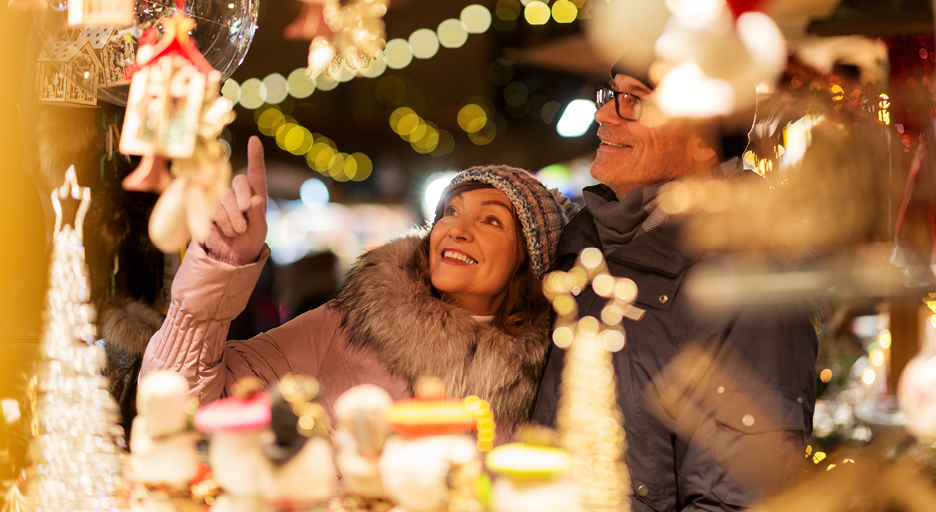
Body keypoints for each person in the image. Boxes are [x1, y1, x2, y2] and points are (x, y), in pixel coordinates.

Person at [140, 136, 573, 438]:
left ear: (529, 260)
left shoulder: (549, 376)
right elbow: (180, 402)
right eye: (450, 211)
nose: (456, 229)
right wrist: (220, 266)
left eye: (491, 220)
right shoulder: (348, 328)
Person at [531, 63, 819, 510]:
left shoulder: (750, 276)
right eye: (610, 94)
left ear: (704, 134)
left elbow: (738, 499)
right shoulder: (584, 244)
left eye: (635, 100)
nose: (605, 115)